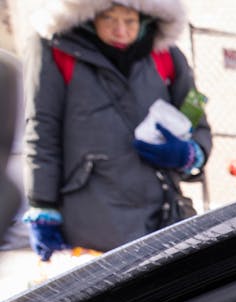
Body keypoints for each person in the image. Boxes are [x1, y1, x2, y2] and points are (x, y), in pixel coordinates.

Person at [22, 0, 209, 259]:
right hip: (93, 219)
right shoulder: (56, 51)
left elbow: (195, 114)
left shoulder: (166, 54)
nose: (120, 30)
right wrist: (42, 204)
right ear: (89, 16)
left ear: (144, 19)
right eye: (109, 19)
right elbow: (43, 130)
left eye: (130, 20)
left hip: (163, 214)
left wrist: (191, 153)